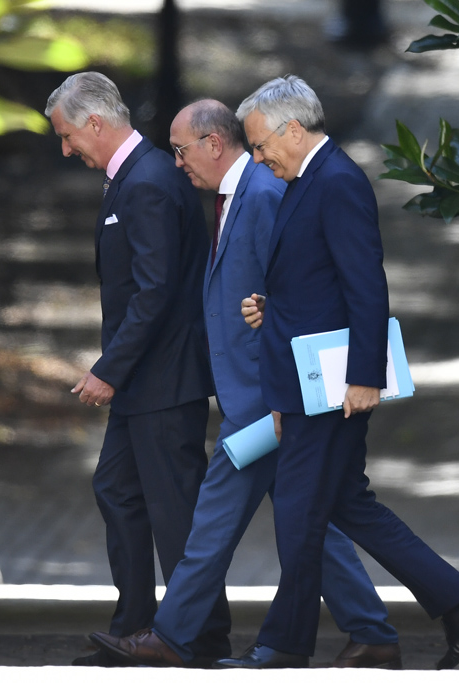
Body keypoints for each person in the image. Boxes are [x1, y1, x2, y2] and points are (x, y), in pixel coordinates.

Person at [89, 99, 402, 669]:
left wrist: (283, 391)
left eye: (182, 151)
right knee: (310, 521)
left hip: (265, 397)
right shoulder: (239, 194)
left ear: (213, 144)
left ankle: (173, 635)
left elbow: (294, 292)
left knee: (214, 519)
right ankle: (373, 630)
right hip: (258, 393)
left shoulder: (260, 193)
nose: (177, 163)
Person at [215, 75, 459, 670]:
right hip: (313, 378)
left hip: (333, 386)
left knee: (297, 513)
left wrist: (365, 376)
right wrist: (273, 307)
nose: (259, 159)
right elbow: (318, 277)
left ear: (293, 129)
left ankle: (283, 646)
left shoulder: (337, 180)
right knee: (345, 503)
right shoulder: (307, 177)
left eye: (262, 145)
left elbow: (366, 286)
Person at [44, 72, 231, 666]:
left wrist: (109, 369)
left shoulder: (147, 181)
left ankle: (197, 635)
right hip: (146, 380)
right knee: (118, 490)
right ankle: (136, 627)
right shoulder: (134, 176)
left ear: (95, 123)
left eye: (69, 135)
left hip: (161, 378)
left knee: (174, 507)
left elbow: (153, 294)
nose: (66, 148)